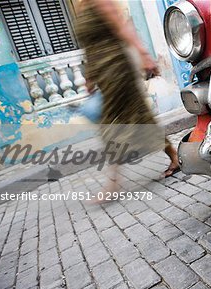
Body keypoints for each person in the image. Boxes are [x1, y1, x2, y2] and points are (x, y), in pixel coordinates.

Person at [74, 0, 180, 193]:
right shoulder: (81, 7)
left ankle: (113, 183)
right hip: (102, 75)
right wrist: (89, 79)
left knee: (111, 125)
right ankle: (173, 154)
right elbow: (88, 48)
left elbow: (122, 28)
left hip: (117, 69)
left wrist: (145, 56)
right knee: (139, 117)